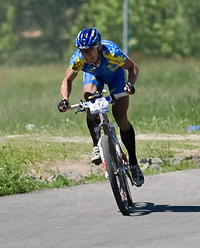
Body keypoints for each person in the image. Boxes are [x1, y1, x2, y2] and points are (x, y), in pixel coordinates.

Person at [57, 27, 144, 186]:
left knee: (121, 119)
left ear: (99, 47)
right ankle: (97, 144)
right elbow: (67, 81)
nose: (86, 55)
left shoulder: (112, 53)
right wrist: (64, 99)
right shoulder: (78, 59)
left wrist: (130, 84)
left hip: (115, 77)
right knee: (90, 101)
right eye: (82, 51)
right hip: (93, 77)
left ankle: (133, 162)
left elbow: (133, 68)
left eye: (90, 50)